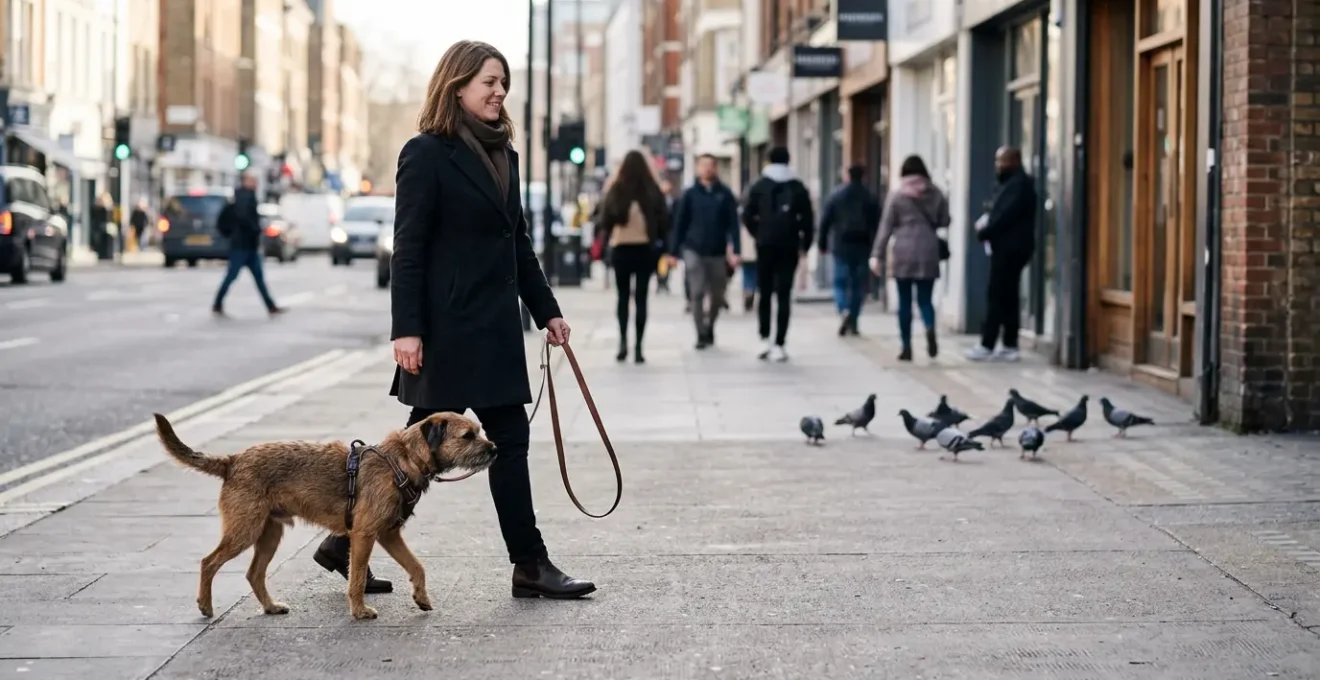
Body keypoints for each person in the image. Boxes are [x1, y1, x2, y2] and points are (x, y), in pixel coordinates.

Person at [311, 40, 594, 600]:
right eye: (489, 81)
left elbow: (519, 244)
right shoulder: (426, 153)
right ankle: (529, 566)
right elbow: (408, 247)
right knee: (457, 449)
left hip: (492, 331)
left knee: (447, 449)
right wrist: (406, 328)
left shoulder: (505, 155)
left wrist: (548, 311)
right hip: (445, 330)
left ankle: (344, 546)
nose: (499, 92)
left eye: (503, 83)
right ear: (457, 85)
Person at [869, 155, 949, 361]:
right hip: (928, 250)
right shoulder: (936, 193)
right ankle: (930, 328)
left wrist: (877, 254)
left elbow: (885, 227)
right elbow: (945, 220)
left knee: (904, 301)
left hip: (903, 250)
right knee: (925, 299)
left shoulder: (897, 196)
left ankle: (906, 347)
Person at [741, 146, 814, 362]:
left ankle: (764, 338)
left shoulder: (759, 185)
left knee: (764, 293)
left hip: (765, 246)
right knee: (784, 294)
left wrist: (759, 234)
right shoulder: (798, 186)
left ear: (768, 160)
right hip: (789, 246)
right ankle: (780, 343)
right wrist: (804, 245)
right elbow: (808, 220)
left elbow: (747, 215)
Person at [597, 149, 670, 363]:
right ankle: (638, 347)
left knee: (622, 298)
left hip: (621, 249)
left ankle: (622, 343)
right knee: (641, 298)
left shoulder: (617, 189)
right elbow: (664, 221)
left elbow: (605, 220)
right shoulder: (652, 190)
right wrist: (664, 248)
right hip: (645, 250)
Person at [968, 146, 1037, 362]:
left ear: (1014, 162)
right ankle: (1008, 343)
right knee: (1007, 296)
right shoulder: (1011, 185)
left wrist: (985, 232)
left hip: (1010, 248)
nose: (998, 165)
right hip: (1010, 247)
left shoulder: (1017, 186)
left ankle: (989, 343)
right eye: (997, 160)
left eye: (1003, 161)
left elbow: (1004, 216)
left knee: (997, 294)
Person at [669, 153, 740, 349]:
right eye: (704, 165)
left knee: (718, 294)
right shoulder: (690, 194)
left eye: (711, 165)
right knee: (697, 291)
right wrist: (673, 252)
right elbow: (680, 224)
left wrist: (736, 250)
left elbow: (733, 224)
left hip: (717, 251)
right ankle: (700, 332)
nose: (707, 169)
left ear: (715, 168)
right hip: (694, 250)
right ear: (698, 168)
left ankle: (710, 325)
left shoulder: (725, 194)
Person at [818, 163, 881, 336]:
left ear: (847, 176)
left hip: (841, 244)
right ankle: (854, 318)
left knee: (840, 282)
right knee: (858, 285)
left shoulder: (837, 195)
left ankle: (843, 309)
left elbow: (825, 221)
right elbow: (878, 223)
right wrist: (877, 248)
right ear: (863, 176)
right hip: (863, 245)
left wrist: (822, 243)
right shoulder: (870, 196)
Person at [212, 173, 284, 316]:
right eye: (252, 180)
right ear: (245, 182)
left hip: (246, 245)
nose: (255, 183)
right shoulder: (245, 197)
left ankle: (270, 306)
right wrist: (255, 229)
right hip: (242, 246)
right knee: (233, 276)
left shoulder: (240, 197)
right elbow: (245, 218)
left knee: (256, 278)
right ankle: (217, 303)